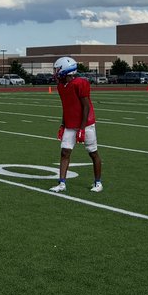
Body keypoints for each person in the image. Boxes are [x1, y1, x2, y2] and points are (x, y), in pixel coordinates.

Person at [50, 56, 103, 194]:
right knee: (64, 152)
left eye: (57, 69)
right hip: (70, 124)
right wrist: (63, 124)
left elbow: (86, 107)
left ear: (65, 70)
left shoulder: (80, 83)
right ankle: (62, 183)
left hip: (85, 124)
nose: (55, 72)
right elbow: (66, 107)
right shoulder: (61, 86)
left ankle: (98, 182)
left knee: (93, 153)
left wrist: (82, 128)